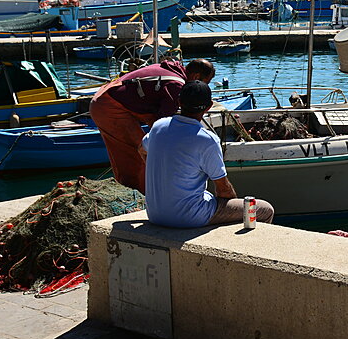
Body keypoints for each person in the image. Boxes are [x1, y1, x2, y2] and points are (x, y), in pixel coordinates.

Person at [140, 80, 274, 228]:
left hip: (155, 214)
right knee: (264, 209)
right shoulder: (207, 139)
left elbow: (141, 149)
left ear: (179, 101)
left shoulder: (159, 126)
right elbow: (223, 189)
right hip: (187, 218)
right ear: (209, 107)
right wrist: (231, 206)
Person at [90, 58, 216, 194]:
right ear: (196, 77)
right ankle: (139, 197)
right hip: (109, 106)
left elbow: (156, 118)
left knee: (138, 152)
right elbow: (164, 127)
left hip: (103, 99)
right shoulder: (176, 85)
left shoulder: (171, 71)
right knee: (137, 154)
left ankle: (141, 194)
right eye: (205, 83)